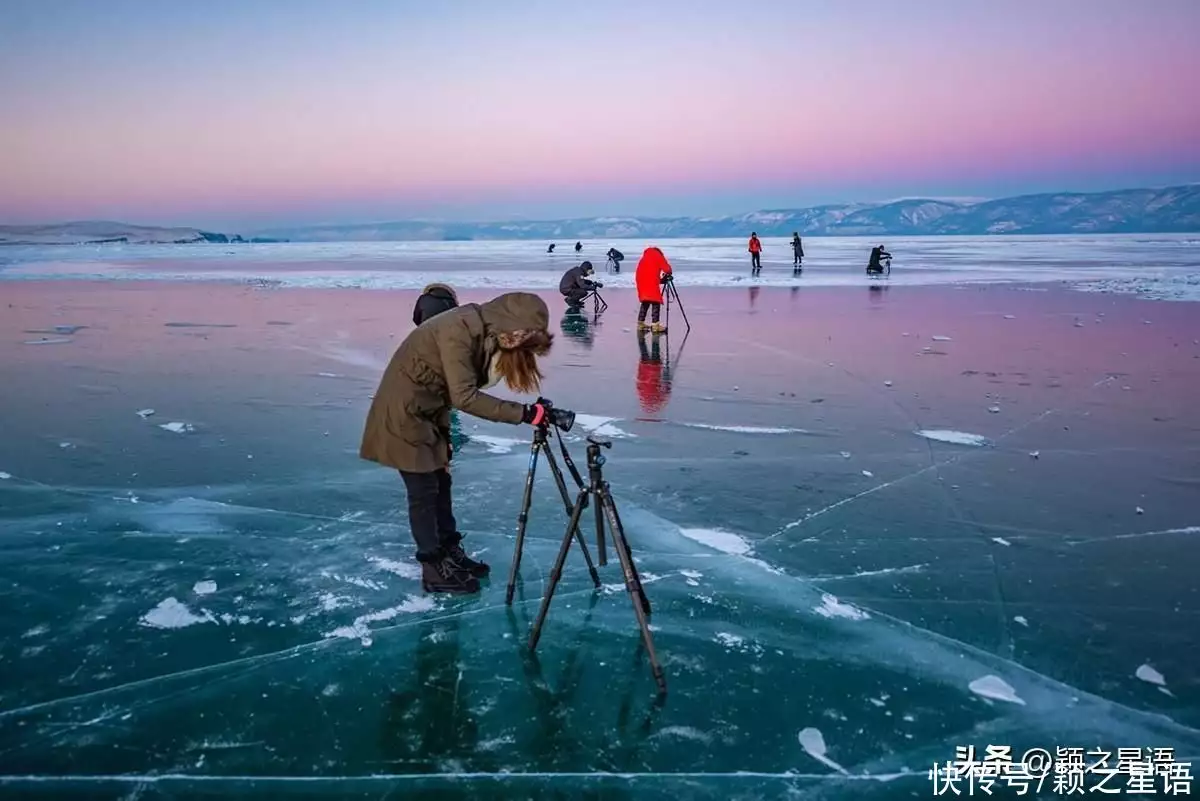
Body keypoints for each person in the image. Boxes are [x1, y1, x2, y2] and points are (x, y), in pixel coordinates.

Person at [360, 292, 558, 595]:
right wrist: (525, 414)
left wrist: (444, 437)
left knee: (440, 483)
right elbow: (463, 396)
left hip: (428, 413)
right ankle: (432, 567)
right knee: (423, 491)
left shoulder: (478, 327)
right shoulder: (460, 330)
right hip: (404, 415)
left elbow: (444, 390)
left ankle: (450, 553)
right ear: (510, 327)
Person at [635, 246, 673, 334]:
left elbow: (649, 273)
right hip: (648, 282)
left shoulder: (644, 258)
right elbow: (667, 269)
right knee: (655, 300)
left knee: (646, 300)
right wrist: (668, 274)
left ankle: (640, 323)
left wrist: (660, 280)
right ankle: (655, 325)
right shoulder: (658, 256)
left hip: (640, 281)